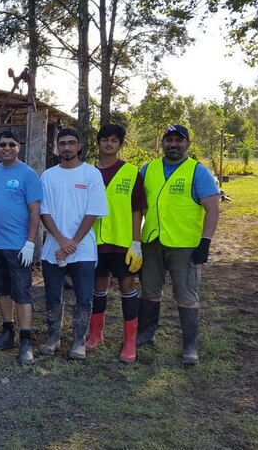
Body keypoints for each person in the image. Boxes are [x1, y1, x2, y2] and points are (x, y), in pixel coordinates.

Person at [137, 124, 220, 365]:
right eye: (169, 140)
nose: (173, 144)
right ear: (162, 142)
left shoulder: (198, 172)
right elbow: (137, 206)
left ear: (187, 144)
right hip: (152, 241)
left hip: (185, 245)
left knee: (186, 295)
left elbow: (213, 209)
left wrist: (205, 242)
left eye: (179, 140)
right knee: (150, 291)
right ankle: (145, 335)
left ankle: (189, 345)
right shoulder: (147, 169)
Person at [39, 128, 108, 359]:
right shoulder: (48, 176)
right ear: (56, 147)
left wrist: (73, 243)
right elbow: (44, 211)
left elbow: (93, 211)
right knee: (52, 296)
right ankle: (53, 339)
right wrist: (60, 240)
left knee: (84, 296)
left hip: (83, 249)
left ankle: (78, 341)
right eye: (62, 144)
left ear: (79, 146)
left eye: (71, 143)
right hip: (53, 248)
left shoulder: (91, 174)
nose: (66, 148)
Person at [0, 130, 43, 365]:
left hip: (18, 246)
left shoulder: (27, 174)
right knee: (2, 291)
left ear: (19, 147)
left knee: (22, 292)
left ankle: (25, 340)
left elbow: (34, 211)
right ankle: (8, 333)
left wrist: (30, 243)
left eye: (11, 144)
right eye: (2, 144)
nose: (6, 148)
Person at [89, 124, 147, 364]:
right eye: (104, 140)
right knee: (99, 287)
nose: (109, 144)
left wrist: (136, 243)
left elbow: (137, 210)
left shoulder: (132, 172)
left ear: (120, 144)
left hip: (123, 242)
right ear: (98, 143)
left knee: (127, 288)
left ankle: (130, 341)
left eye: (114, 140)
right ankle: (95, 334)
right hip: (94, 242)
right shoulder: (89, 172)